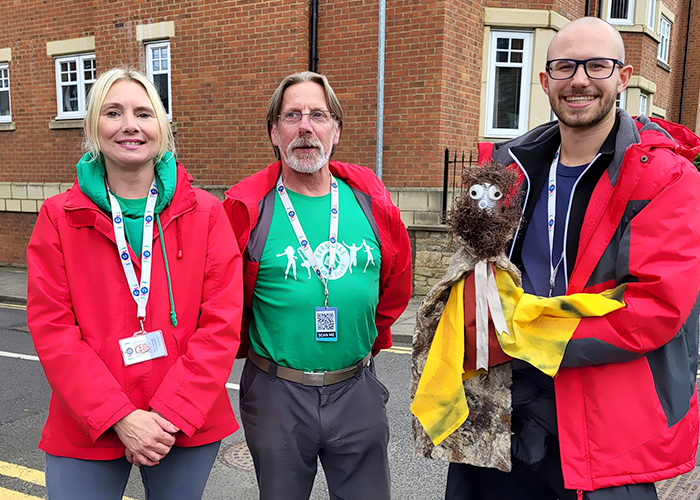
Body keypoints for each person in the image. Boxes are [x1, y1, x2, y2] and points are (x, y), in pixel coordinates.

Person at [442, 17, 700, 500]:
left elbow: (655, 309)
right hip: (506, 409)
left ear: (622, 77)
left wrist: (516, 334)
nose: (579, 79)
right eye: (564, 67)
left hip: (604, 430)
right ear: (545, 81)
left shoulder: (666, 177)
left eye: (596, 65)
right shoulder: (508, 169)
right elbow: (476, 268)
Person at [26, 67, 243, 500]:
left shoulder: (206, 213)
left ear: (161, 128)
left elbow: (221, 323)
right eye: (113, 112)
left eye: (143, 113)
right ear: (92, 127)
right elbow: (53, 330)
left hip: (182, 420)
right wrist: (120, 417)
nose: (130, 125)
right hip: (87, 423)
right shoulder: (57, 217)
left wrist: (166, 414)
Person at [223, 71, 412, 500]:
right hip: (277, 394)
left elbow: (395, 285)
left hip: (357, 388)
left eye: (318, 115)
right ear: (274, 131)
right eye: (292, 115)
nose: (305, 127)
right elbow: (227, 300)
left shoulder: (371, 201)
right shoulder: (247, 210)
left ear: (336, 130)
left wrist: (366, 340)